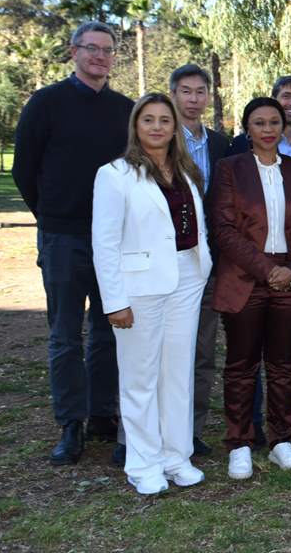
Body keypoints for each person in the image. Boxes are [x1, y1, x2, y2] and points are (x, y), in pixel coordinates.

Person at [12, 21, 133, 465]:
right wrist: (51, 217)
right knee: (65, 334)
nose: (100, 56)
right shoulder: (46, 103)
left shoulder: (125, 109)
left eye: (108, 50)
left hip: (114, 240)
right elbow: (24, 170)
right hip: (63, 236)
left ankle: (103, 414)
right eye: (92, 49)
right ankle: (70, 424)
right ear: (74, 51)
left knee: (109, 329)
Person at [92, 93, 212, 495]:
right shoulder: (115, 175)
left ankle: (176, 457)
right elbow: (104, 244)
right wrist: (115, 302)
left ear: (175, 128)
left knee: (177, 374)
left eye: (165, 120)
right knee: (140, 378)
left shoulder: (185, 171)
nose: (157, 127)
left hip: (187, 277)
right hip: (139, 287)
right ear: (136, 126)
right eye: (149, 120)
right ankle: (142, 463)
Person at [210, 97, 291, 480]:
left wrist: (290, 269)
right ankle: (240, 443)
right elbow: (223, 229)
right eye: (260, 122)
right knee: (241, 365)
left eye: (274, 122)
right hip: (245, 278)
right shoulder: (229, 169)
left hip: (290, 279)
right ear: (247, 128)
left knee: (284, 364)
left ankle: (281, 440)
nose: (269, 129)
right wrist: (266, 268)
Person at [229, 75, 291, 443]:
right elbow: (228, 219)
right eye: (286, 96)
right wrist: (266, 268)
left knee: (288, 354)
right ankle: (248, 425)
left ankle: (286, 423)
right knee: (245, 354)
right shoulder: (236, 154)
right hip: (246, 269)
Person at [167, 64, 233, 458]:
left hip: (207, 261)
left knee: (203, 350)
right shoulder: (157, 138)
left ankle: (190, 430)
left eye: (200, 92)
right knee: (161, 349)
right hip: (166, 260)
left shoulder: (221, 145)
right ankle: (149, 430)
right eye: (186, 91)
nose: (193, 99)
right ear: (173, 93)